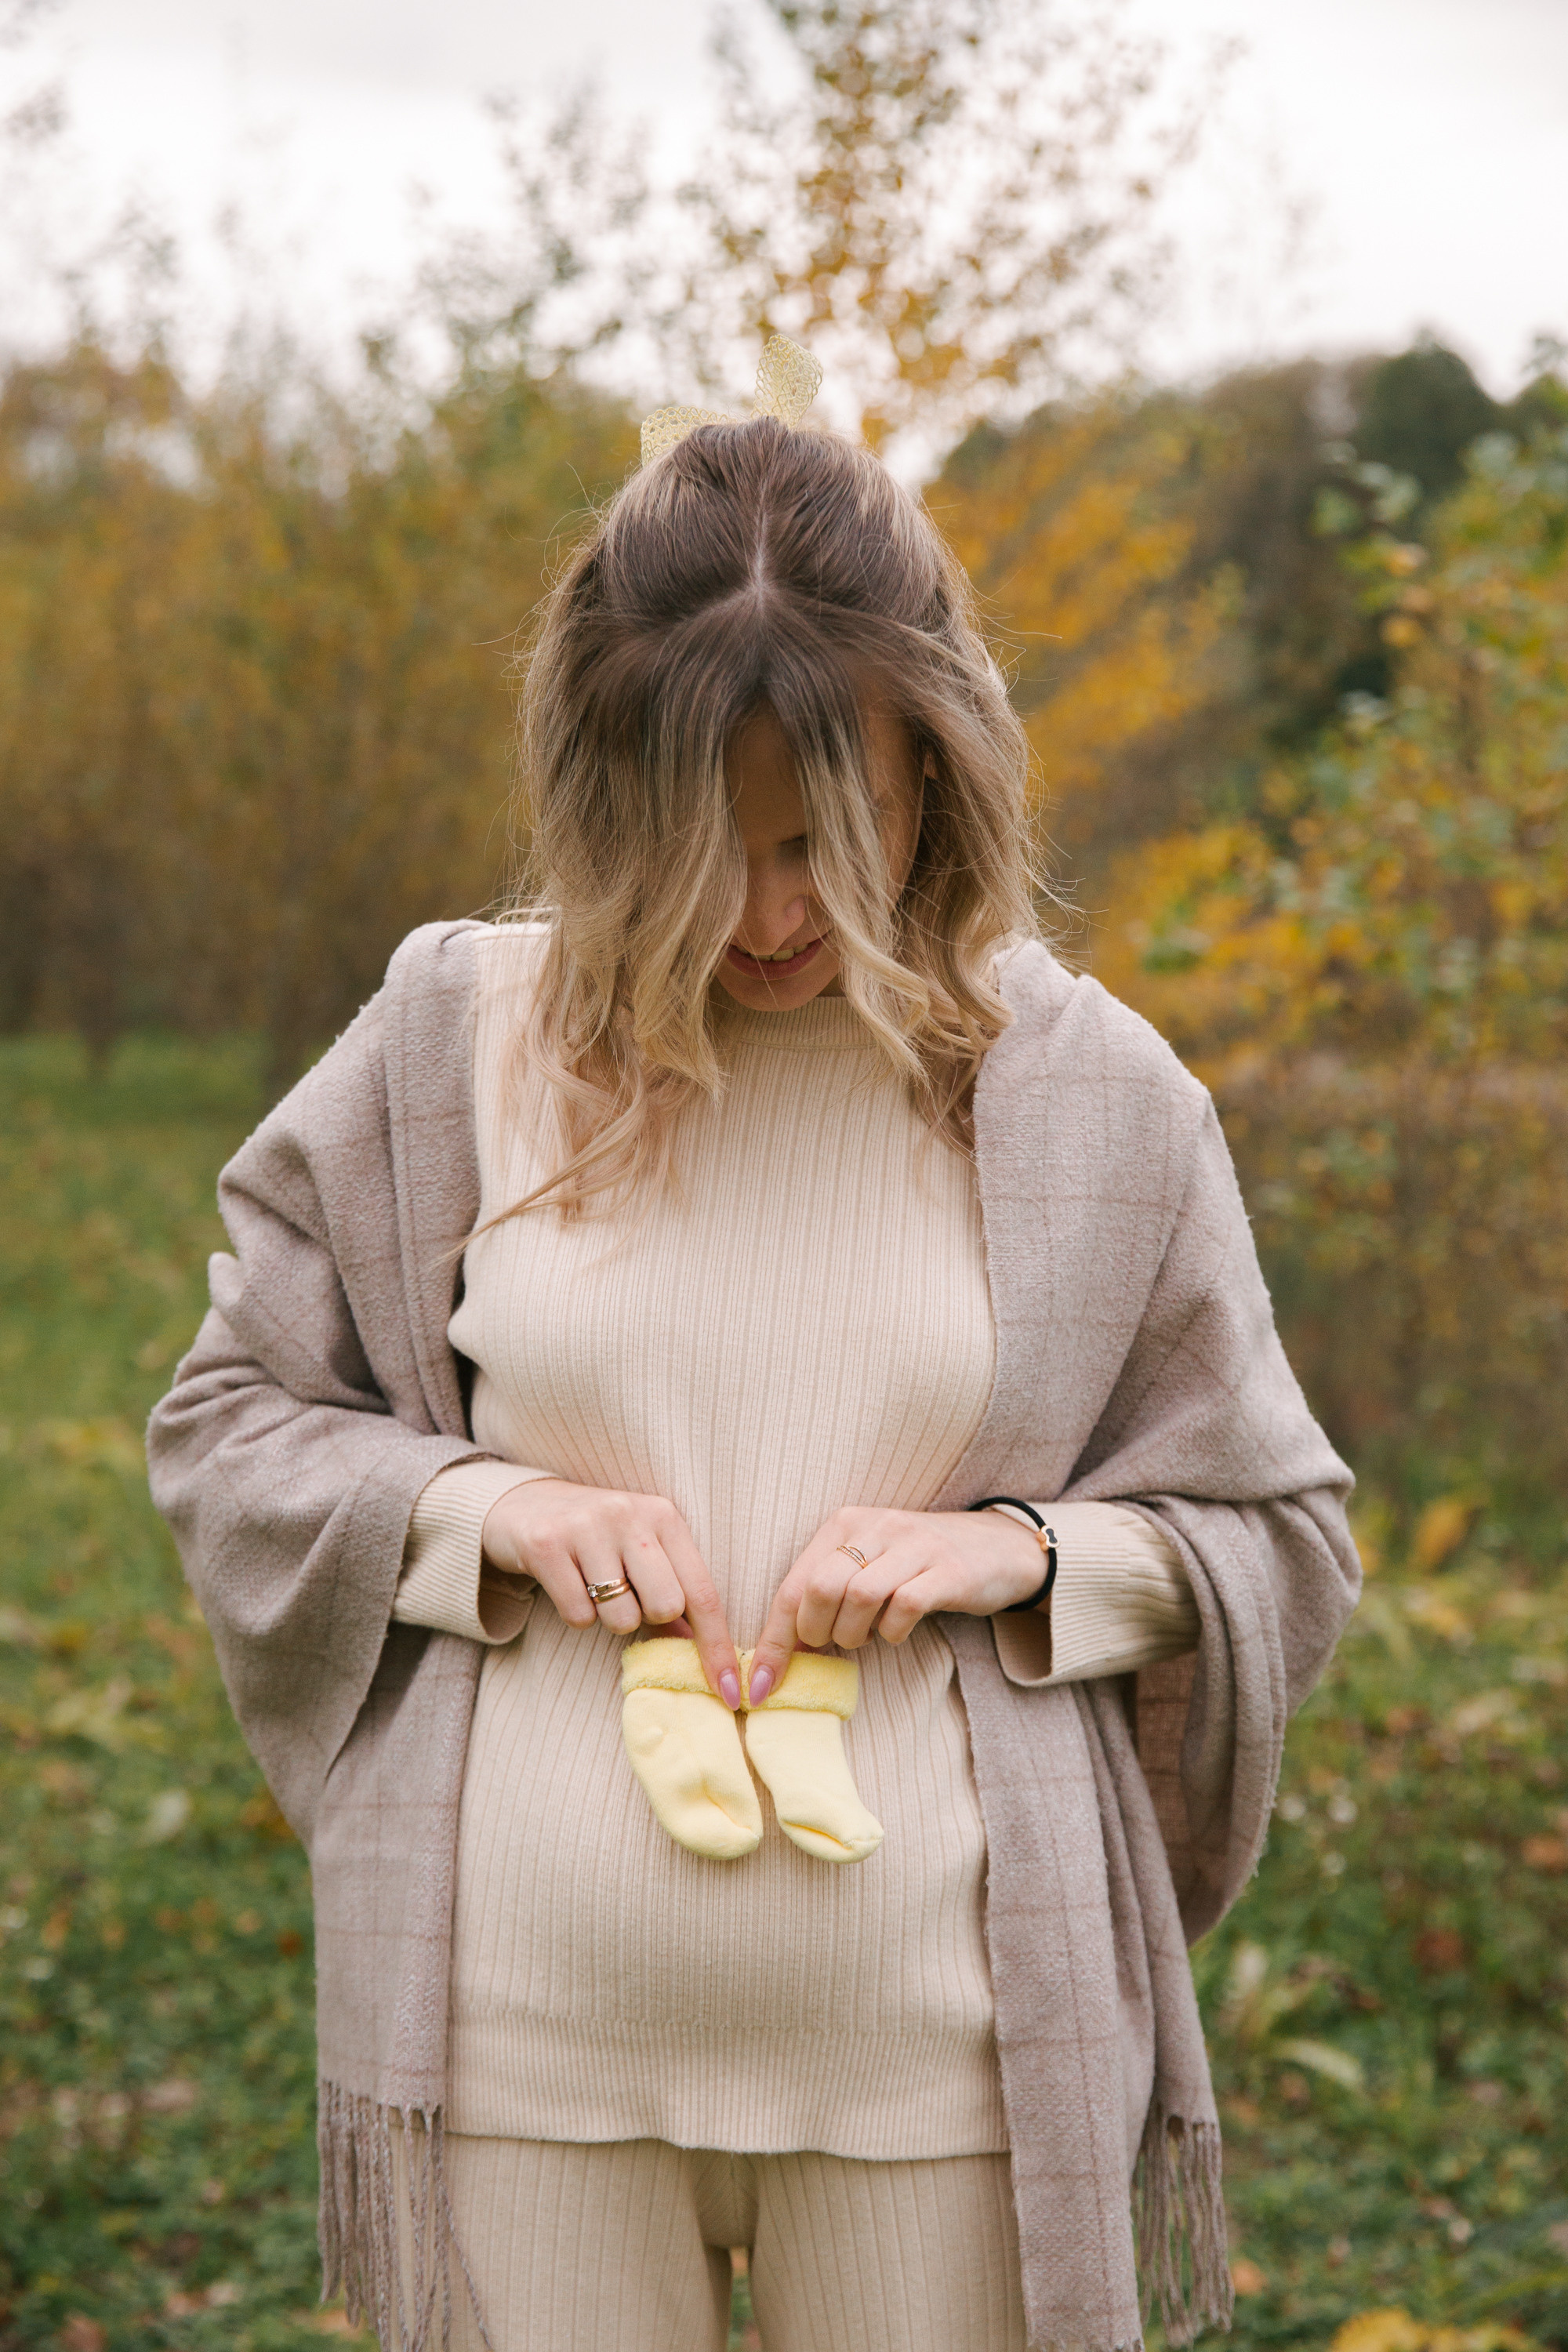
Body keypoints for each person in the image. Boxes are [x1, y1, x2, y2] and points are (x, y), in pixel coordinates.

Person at [148, 340, 1359, 2352]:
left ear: (935, 762)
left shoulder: (1083, 1091)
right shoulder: (454, 1040)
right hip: (512, 2050)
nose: (768, 917)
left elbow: (1284, 1538)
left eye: (825, 838)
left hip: (943, 2075)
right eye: (701, 851)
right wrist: (478, 1504)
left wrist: (1032, 1556)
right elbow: (230, 1425)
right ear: (594, 794)